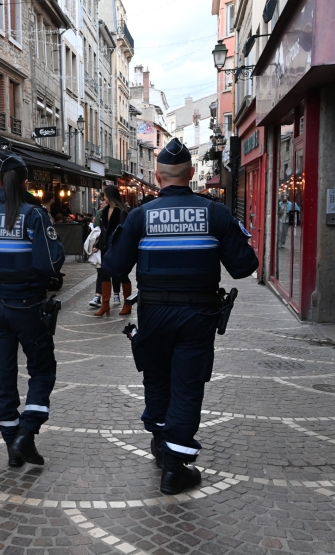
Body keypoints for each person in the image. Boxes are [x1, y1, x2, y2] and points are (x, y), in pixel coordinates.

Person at [103, 138, 258, 495]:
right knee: (187, 385)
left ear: (157, 176)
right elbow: (244, 266)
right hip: (198, 314)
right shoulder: (214, 212)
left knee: (156, 378)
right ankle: (175, 465)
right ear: (190, 174)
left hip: (154, 313)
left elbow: (114, 267)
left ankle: (160, 440)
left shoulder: (140, 215)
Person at [0, 152, 65, 468]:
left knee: (3, 375)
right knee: (42, 370)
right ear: (24, 183)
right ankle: (26, 433)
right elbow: (48, 263)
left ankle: (14, 446)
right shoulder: (34, 215)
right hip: (29, 308)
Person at [92, 185, 132, 316]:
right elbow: (104, 231)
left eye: (105, 196)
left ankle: (127, 303)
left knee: (120, 274)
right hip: (105, 247)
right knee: (104, 274)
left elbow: (122, 231)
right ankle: (105, 305)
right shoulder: (103, 212)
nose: (103, 198)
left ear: (110, 196)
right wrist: (98, 244)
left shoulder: (122, 212)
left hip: (118, 248)